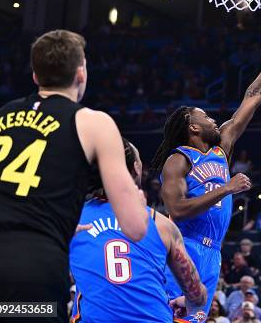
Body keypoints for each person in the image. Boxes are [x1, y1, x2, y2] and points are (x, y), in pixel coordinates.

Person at [0, 30, 148, 321]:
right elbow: (134, 227)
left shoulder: (0, 116)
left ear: (35, 75)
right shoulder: (94, 122)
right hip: (32, 271)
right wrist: (138, 197)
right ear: (81, 73)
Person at [152, 17, 261, 319]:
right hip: (184, 248)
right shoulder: (179, 159)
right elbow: (176, 210)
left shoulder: (222, 148)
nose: (213, 120)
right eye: (206, 117)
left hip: (213, 253)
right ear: (193, 127)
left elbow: (252, 98)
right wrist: (226, 188)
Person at [70, 138, 207, 322]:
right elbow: (198, 297)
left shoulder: (72, 219)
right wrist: (188, 302)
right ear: (136, 168)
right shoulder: (162, 225)